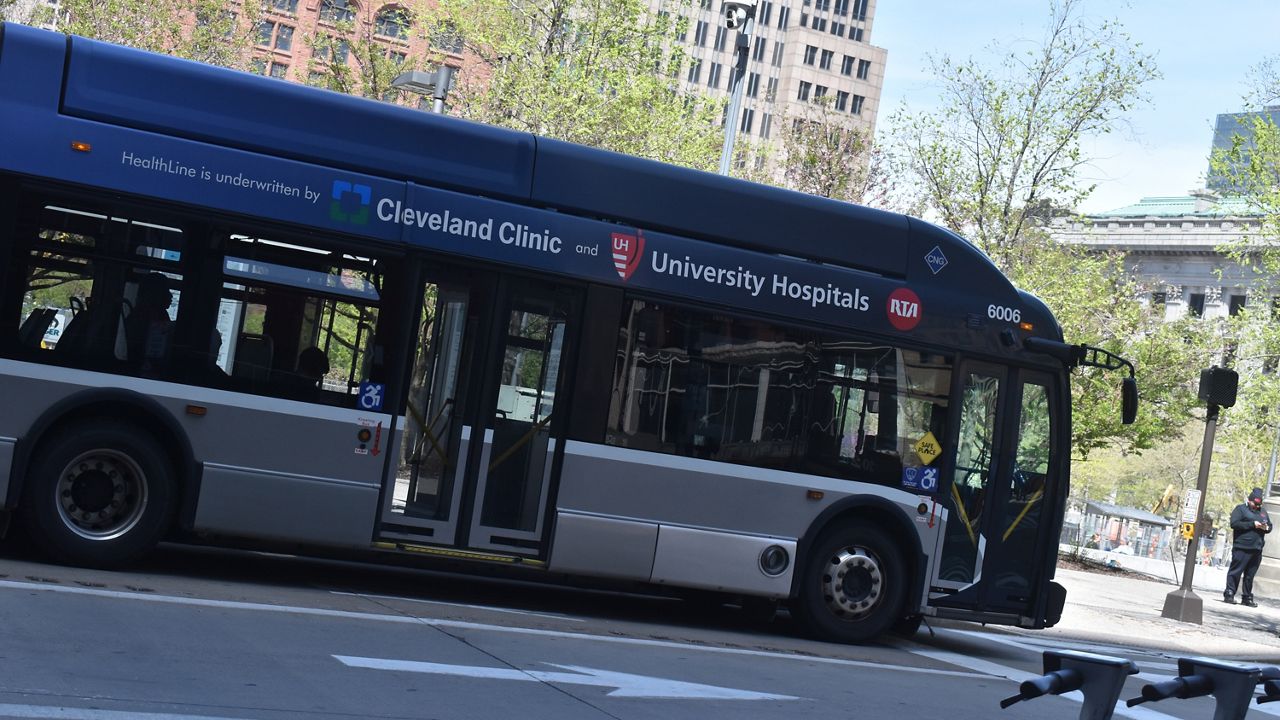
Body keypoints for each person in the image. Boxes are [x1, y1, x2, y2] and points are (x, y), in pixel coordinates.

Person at [1224, 487, 1272, 606]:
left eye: (1258, 504)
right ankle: (1230, 593)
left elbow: (1270, 526)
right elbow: (1234, 523)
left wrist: (1266, 527)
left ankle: (1246, 597)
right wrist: (1252, 524)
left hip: (1257, 549)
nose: (1256, 506)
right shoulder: (1240, 509)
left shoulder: (1263, 512)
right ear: (1249, 500)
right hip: (1242, 547)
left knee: (1250, 575)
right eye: (1255, 504)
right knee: (1235, 572)